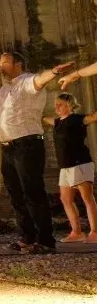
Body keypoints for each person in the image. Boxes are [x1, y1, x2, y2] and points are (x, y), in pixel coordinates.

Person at [0, 52, 73, 255]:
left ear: (19, 64)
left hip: (27, 145)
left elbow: (39, 80)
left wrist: (52, 72)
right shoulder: (4, 90)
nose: (1, 66)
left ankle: (45, 240)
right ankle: (27, 237)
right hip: (8, 148)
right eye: (0, 63)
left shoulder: (26, 82)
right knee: (15, 194)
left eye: (5, 62)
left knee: (33, 192)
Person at [43, 93, 97, 243]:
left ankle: (95, 232)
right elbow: (45, 119)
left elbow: (93, 118)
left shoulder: (77, 119)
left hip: (80, 163)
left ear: (69, 105)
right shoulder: (58, 122)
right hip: (65, 167)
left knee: (87, 198)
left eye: (59, 104)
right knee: (65, 199)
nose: (56, 107)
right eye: (55, 104)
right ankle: (76, 232)